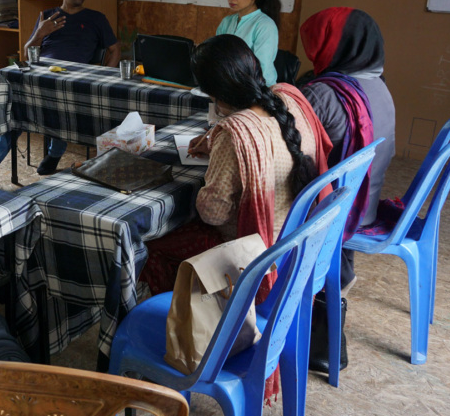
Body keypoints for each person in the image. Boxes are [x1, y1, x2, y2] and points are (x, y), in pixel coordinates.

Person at [140, 34, 330, 299]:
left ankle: (187, 321)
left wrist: (218, 156)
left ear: (212, 91)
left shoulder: (235, 132)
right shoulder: (288, 99)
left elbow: (213, 214)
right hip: (296, 237)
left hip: (258, 254)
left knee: (152, 245)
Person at [300, 7, 396, 374]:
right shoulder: (379, 87)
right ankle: (337, 282)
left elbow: (283, 144)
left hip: (336, 213)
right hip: (363, 206)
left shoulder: (324, 93)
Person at [0, 0, 120, 181]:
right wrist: (40, 32)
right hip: (39, 80)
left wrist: (102, 77)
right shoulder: (48, 17)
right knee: (11, 117)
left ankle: (54, 152)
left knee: (60, 111)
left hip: (72, 82)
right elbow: (28, 54)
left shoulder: (96, 18)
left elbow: (115, 50)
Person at [215, 0, 280, 86]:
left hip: (258, 91)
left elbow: (262, 71)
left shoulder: (265, 25)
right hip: (228, 87)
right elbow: (216, 56)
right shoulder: (226, 22)